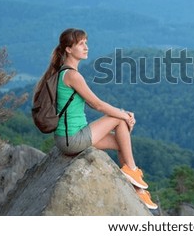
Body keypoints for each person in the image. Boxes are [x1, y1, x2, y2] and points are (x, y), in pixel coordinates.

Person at [33, 28, 157, 210]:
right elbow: (97, 105)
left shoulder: (63, 73)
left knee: (121, 141)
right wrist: (124, 114)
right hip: (72, 139)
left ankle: (137, 190)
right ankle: (132, 170)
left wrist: (123, 113)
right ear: (68, 49)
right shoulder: (72, 75)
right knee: (119, 120)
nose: (86, 47)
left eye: (86, 43)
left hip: (70, 136)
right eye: (81, 44)